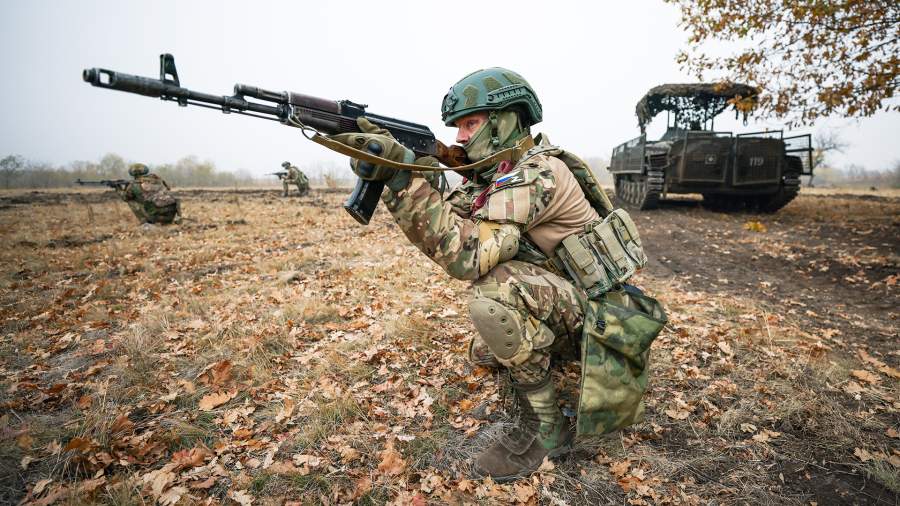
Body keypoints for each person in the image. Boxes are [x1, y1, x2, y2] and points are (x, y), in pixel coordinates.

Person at [329, 69, 663, 482]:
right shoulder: (498, 176)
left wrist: (402, 180)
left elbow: (467, 255)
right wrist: (411, 168)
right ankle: (545, 361)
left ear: (505, 120)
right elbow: (449, 216)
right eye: (457, 127)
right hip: (575, 304)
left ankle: (546, 428)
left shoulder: (535, 174)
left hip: (605, 323)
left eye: (470, 123)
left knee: (495, 293)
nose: (460, 136)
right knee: (486, 348)